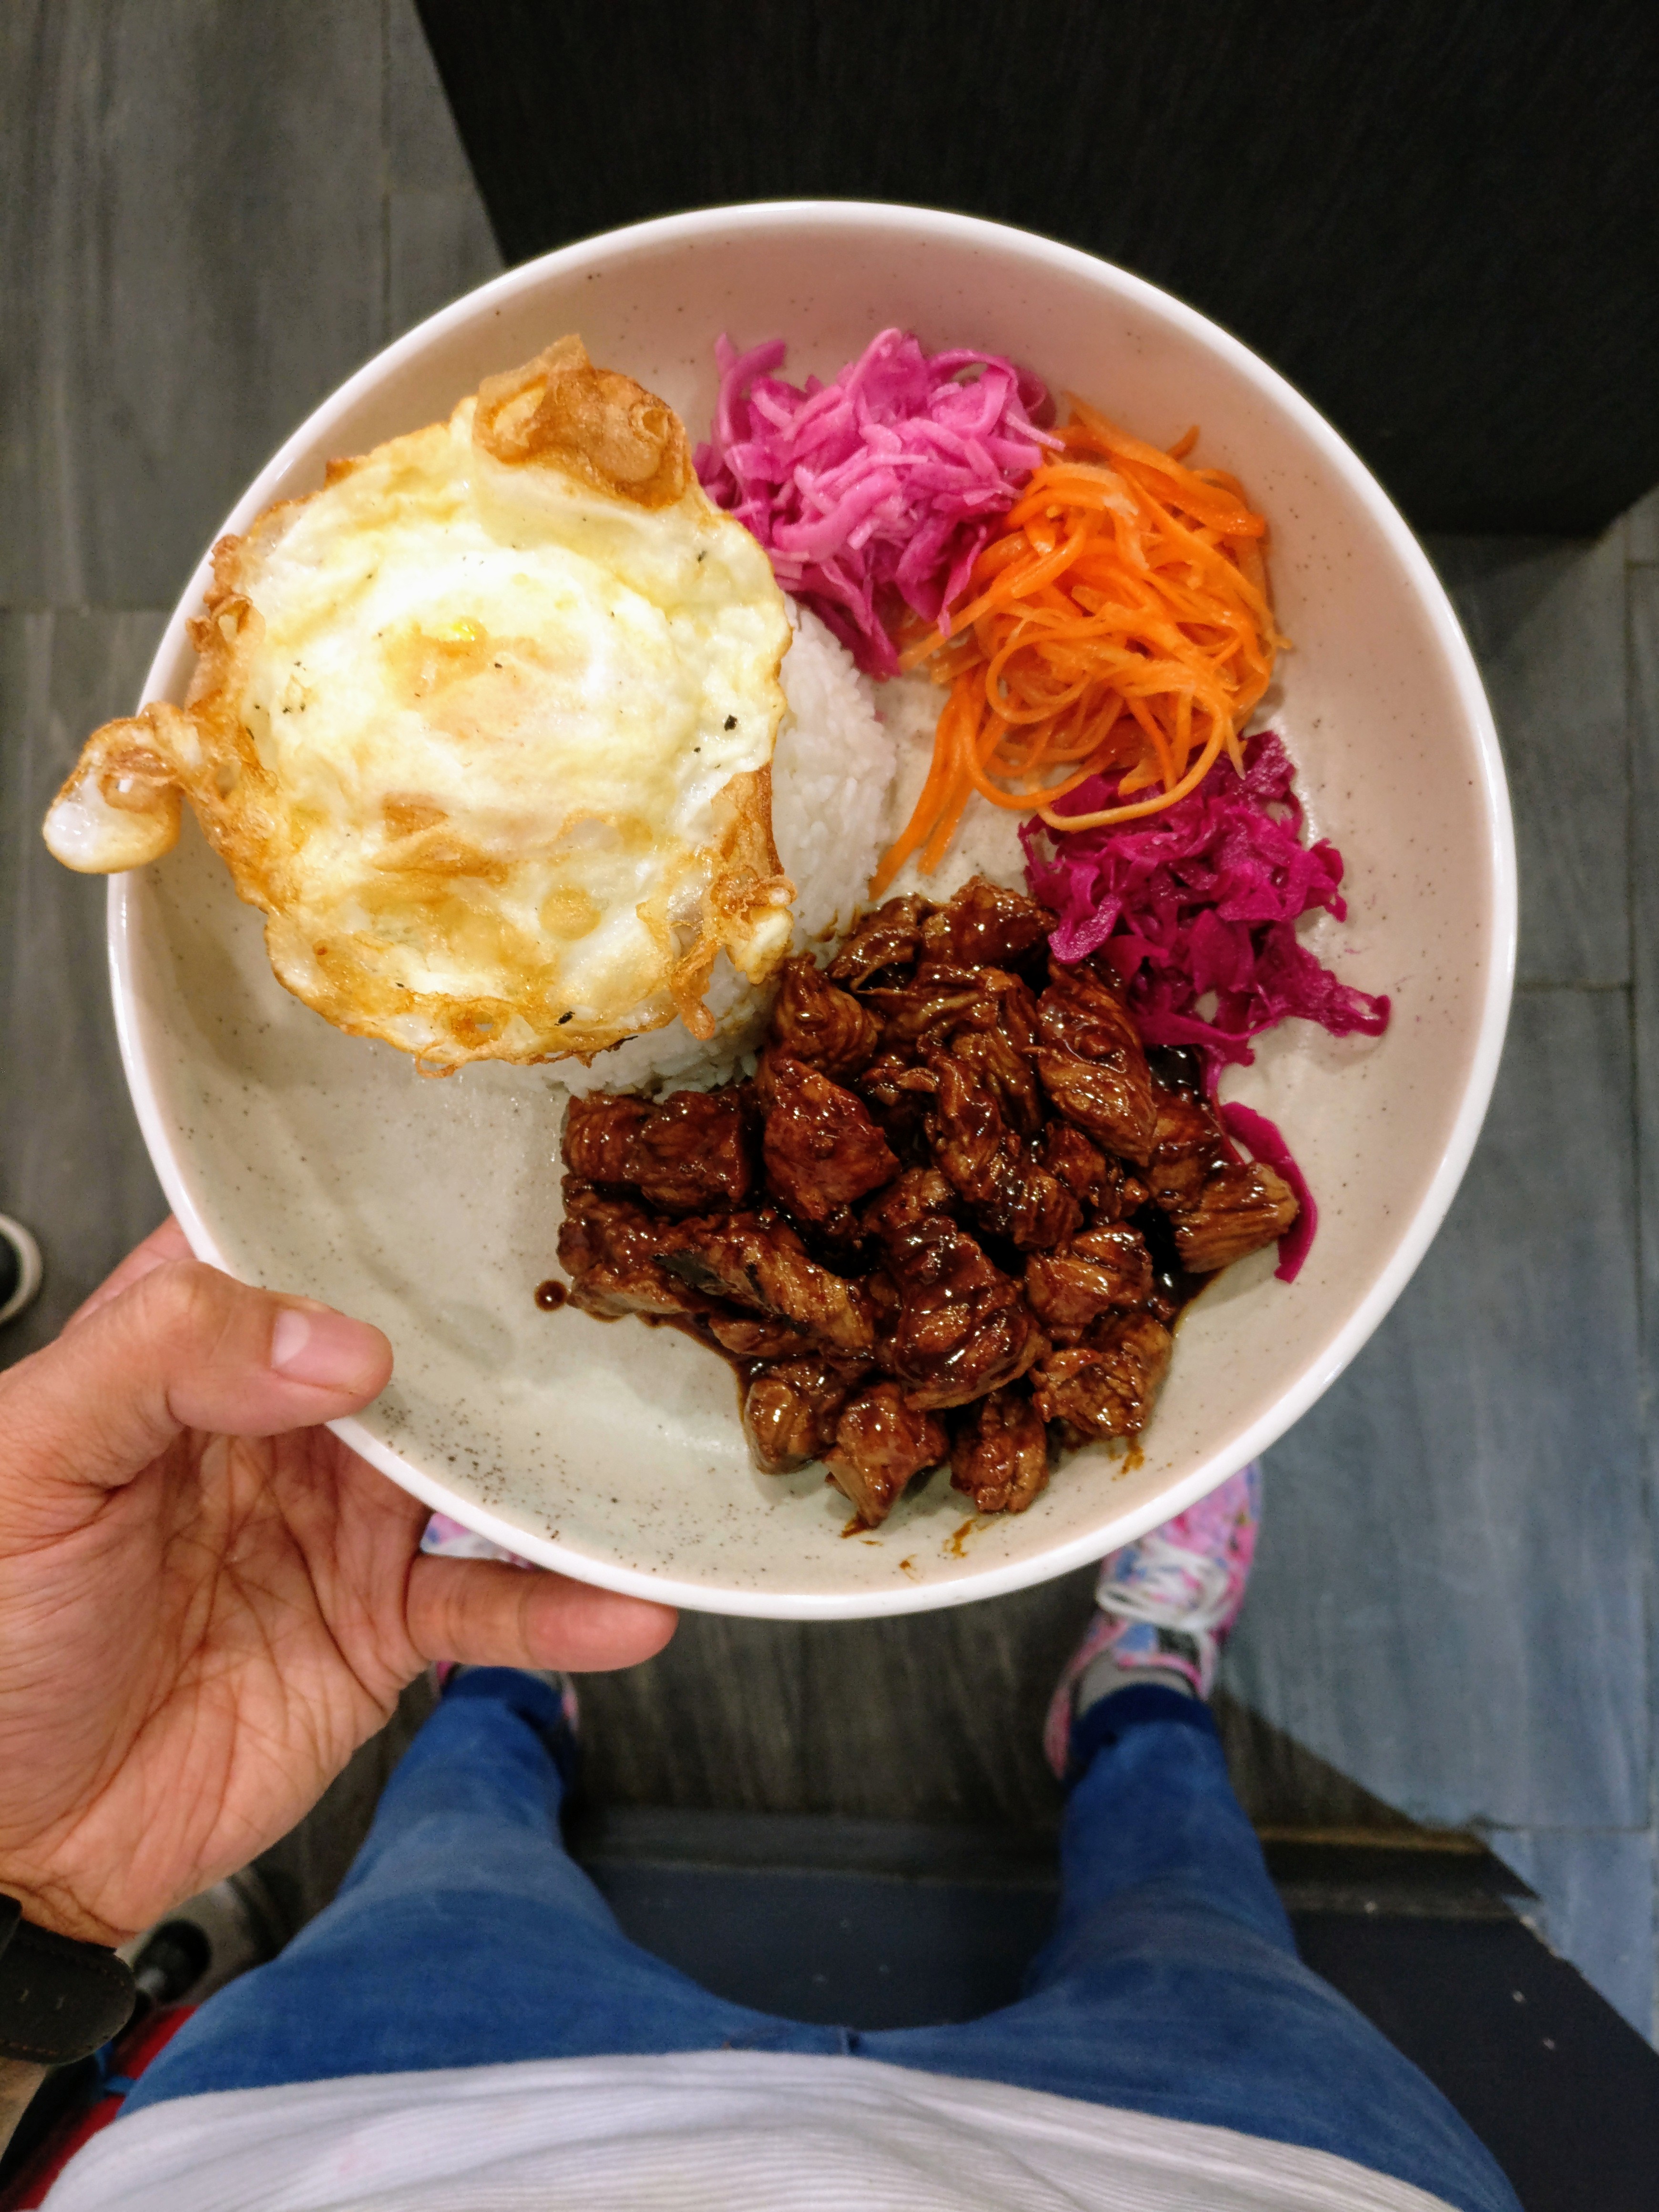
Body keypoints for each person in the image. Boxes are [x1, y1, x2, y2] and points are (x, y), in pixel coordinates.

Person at [0, 1223, 1522, 2212]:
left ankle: (493, 1682)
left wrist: (38, 1890)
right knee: (1188, 1906)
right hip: (1236, 2169)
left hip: (343, 2132)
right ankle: (1141, 1694)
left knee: (451, 1847)